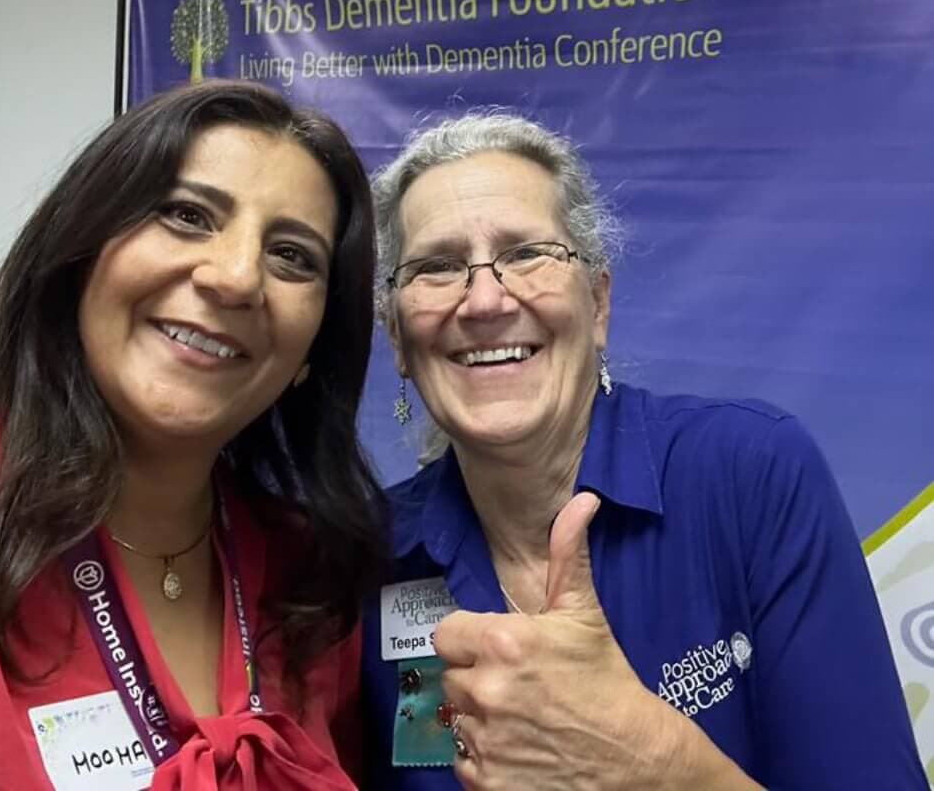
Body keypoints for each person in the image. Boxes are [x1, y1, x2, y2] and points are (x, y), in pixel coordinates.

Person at [0, 80, 388, 790]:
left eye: (293, 256)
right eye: (187, 214)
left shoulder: (311, 591)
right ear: (81, 256)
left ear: (310, 354)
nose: (236, 277)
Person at [361, 111, 925, 789]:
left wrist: (653, 764)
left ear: (597, 305)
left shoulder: (749, 475)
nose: (484, 300)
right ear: (396, 335)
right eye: (438, 267)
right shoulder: (379, 561)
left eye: (525, 255)